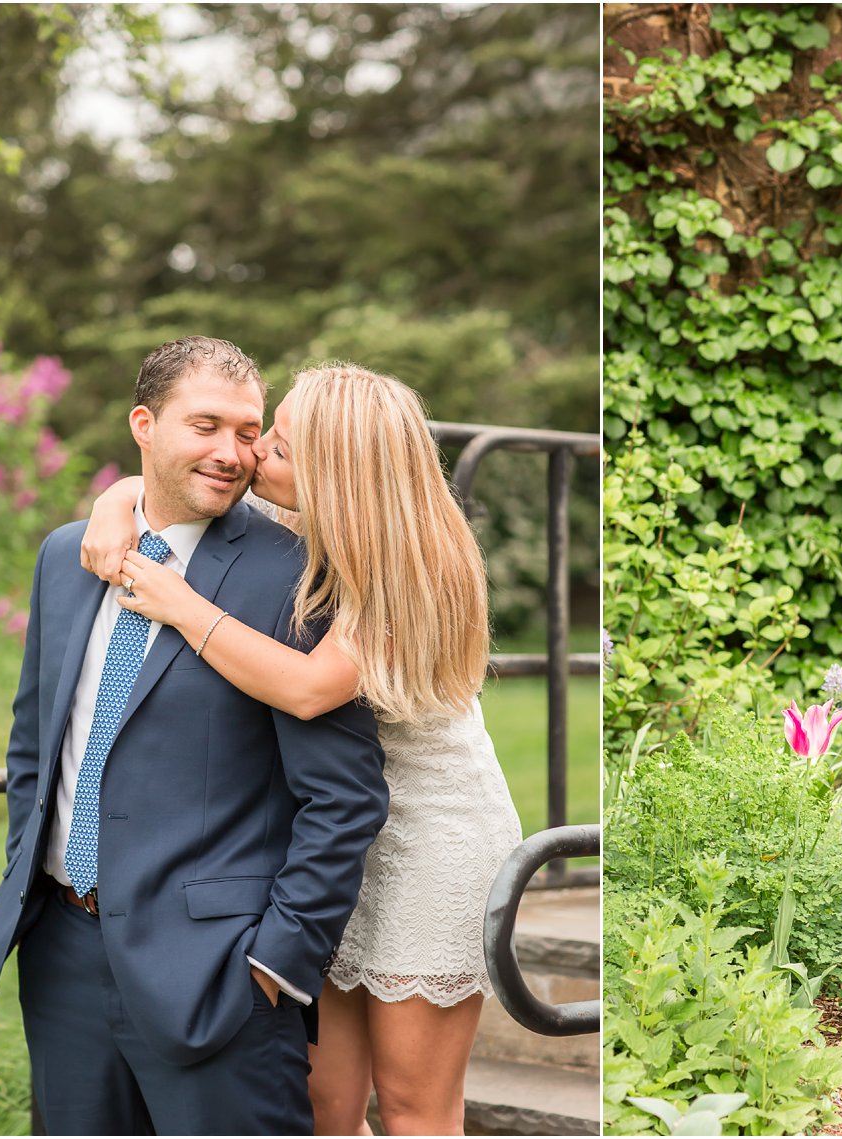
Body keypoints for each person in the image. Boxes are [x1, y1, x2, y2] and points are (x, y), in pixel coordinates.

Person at [80, 362, 522, 1137]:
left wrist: (184, 608)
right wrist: (117, 500)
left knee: (415, 1106)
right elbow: (162, 483)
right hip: (331, 841)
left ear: (338, 475)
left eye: (277, 447)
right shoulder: (299, 525)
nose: (253, 457)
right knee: (324, 1102)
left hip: (430, 844)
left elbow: (313, 688)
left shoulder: (415, 562)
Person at [0, 337, 390, 1136]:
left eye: (247, 431)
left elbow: (345, 797)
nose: (231, 454)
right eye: (205, 426)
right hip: (62, 953)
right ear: (144, 425)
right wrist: (35, 885)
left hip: (219, 977)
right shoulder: (68, 556)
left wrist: (274, 966)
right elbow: (35, 744)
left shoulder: (298, 578)